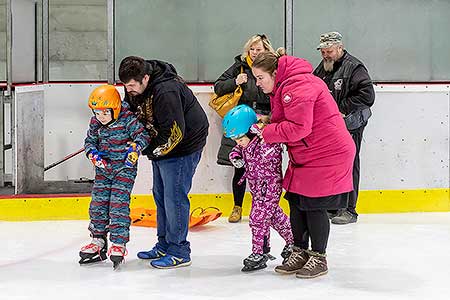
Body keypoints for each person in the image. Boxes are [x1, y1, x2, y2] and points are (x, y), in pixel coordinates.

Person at [251, 50, 356, 278]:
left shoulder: (297, 86)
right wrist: (269, 121)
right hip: (308, 154)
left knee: (314, 205)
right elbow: (290, 119)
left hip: (327, 155)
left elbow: (299, 127)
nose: (257, 84)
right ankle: (299, 251)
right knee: (296, 202)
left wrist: (267, 131)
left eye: (260, 78)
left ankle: (318, 257)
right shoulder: (286, 86)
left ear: (275, 73)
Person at [118, 56, 209, 269]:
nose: (128, 90)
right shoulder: (136, 85)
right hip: (161, 143)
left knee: (174, 198)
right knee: (160, 195)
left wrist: (145, 149)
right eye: (125, 86)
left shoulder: (166, 91)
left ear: (146, 78)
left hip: (183, 146)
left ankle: (179, 251)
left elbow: (174, 134)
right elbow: (133, 113)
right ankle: (165, 244)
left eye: (131, 86)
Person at [79, 84, 151, 269]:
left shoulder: (128, 119)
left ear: (116, 108)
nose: (100, 117)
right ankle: (98, 240)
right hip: (103, 170)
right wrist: (92, 153)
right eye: (97, 112)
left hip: (124, 170)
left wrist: (135, 148)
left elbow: (143, 136)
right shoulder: (95, 123)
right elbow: (89, 141)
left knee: (118, 206)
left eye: (105, 113)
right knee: (98, 204)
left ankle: (118, 243)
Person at [313, 31, 375, 225]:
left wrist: (341, 109)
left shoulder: (354, 67)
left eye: (329, 51)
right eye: (322, 51)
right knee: (331, 164)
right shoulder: (322, 68)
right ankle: (333, 205)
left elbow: (367, 96)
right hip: (331, 125)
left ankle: (349, 209)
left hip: (351, 124)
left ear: (340, 47)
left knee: (350, 163)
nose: (325, 55)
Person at [222, 104, 294, 272]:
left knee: (257, 218)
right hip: (257, 188)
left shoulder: (267, 141)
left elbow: (263, 160)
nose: (238, 143)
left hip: (269, 186)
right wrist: (236, 156)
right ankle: (293, 241)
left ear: (250, 131)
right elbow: (237, 150)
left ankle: (258, 252)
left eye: (240, 138)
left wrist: (246, 161)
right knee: (274, 216)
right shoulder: (246, 142)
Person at [214, 34, 274, 223]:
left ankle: (264, 206)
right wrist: (235, 82)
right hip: (243, 119)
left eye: (259, 50)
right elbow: (218, 86)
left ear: (267, 50)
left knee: (266, 167)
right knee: (239, 166)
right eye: (252, 49)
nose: (255, 53)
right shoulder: (239, 66)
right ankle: (237, 206)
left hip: (265, 119)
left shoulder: (273, 65)